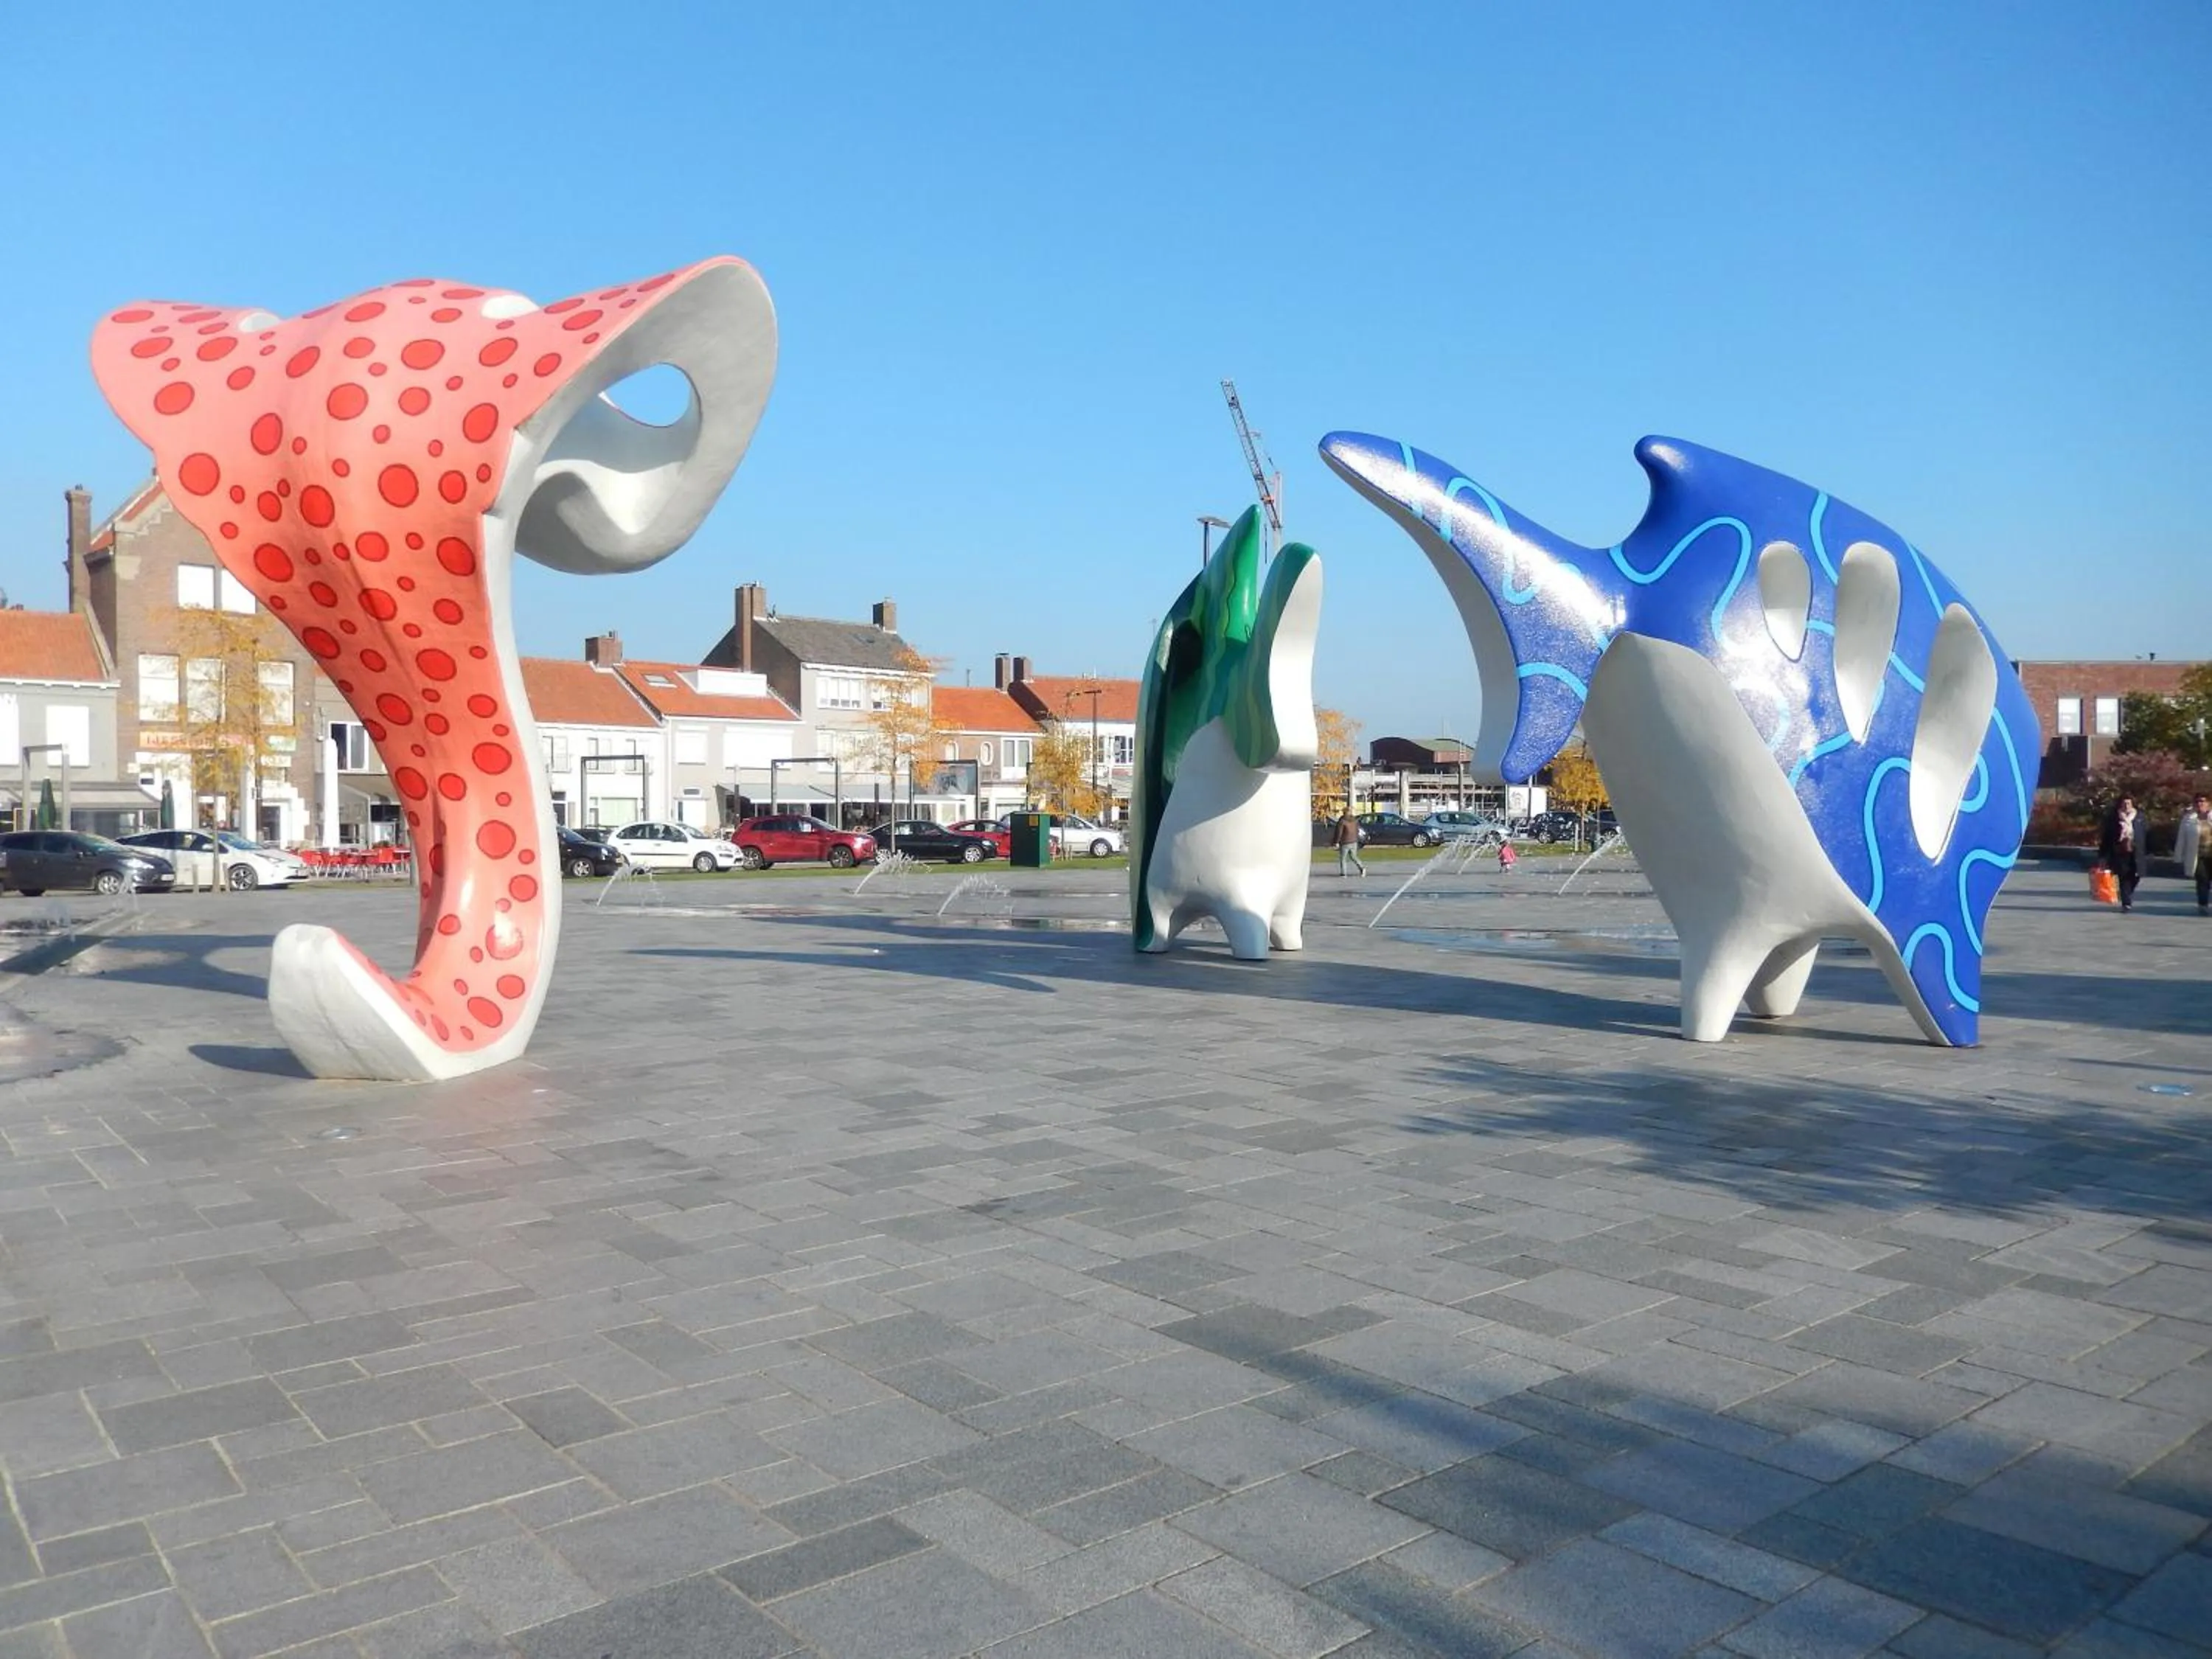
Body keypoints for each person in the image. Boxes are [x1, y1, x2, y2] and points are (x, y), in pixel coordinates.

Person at [2100, 794, 2143, 912]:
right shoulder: (2114, 818)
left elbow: (2147, 834)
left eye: (2129, 803)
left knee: (2136, 876)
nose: (2126, 806)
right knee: (2124, 877)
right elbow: (2106, 838)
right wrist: (2103, 856)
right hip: (2120, 852)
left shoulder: (2139, 817)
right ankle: (2126, 903)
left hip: (2136, 851)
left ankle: (2126, 893)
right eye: (2124, 804)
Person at [2179, 793, 2212, 916]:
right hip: (2198, 855)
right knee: (2202, 879)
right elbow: (2182, 838)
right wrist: (2179, 855)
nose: (2200, 804)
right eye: (2197, 801)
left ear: (2208, 803)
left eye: (2203, 801)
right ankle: (2203, 904)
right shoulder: (2189, 819)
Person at [1333, 810, 1364, 877]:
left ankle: (1343, 873)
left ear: (1344, 813)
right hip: (1354, 841)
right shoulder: (1355, 821)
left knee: (1343, 858)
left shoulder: (1342, 821)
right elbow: (1357, 830)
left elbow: (1339, 832)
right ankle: (1362, 867)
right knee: (1354, 856)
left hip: (1345, 842)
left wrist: (1336, 842)